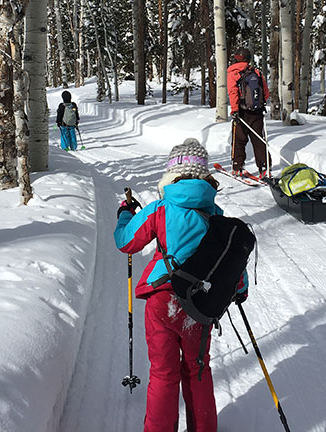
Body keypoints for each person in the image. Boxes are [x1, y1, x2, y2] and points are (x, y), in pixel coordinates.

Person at [114, 138, 247, 432]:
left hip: (162, 299)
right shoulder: (215, 213)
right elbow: (230, 257)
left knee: (163, 373)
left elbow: (126, 243)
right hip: (199, 305)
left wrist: (125, 214)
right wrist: (240, 289)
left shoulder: (160, 208)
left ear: (171, 174)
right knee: (198, 371)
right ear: (203, 175)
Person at [226, 47, 271, 178]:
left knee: (239, 140)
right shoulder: (256, 72)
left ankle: (237, 167)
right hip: (256, 112)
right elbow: (266, 93)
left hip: (241, 111)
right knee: (258, 140)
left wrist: (234, 110)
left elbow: (233, 93)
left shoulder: (233, 73)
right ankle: (264, 168)